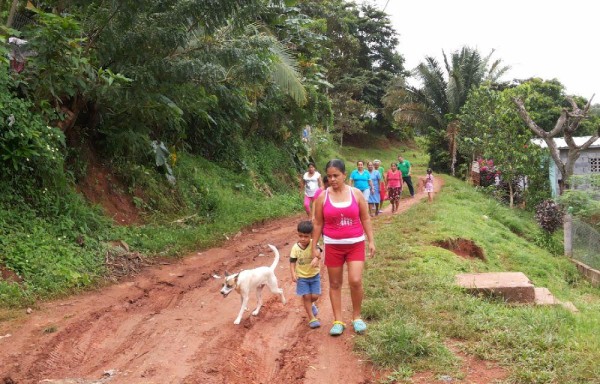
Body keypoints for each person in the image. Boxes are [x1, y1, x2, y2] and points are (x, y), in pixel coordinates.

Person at [311, 159, 376, 336]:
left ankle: (357, 317)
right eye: (329, 176)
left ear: (344, 175)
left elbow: (365, 218)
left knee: (355, 280)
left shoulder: (356, 194)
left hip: (355, 244)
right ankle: (338, 320)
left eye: (336, 175)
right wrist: (314, 245)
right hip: (333, 246)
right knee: (335, 283)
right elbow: (317, 223)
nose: (332, 179)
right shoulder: (322, 197)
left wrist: (371, 240)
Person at [290, 220, 323, 329]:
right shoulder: (295, 248)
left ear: (311, 235)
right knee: (307, 296)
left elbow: (318, 251)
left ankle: (310, 303)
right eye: (300, 236)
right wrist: (293, 273)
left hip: (314, 276)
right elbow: (292, 262)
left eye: (306, 236)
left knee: (315, 296)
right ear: (297, 234)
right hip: (302, 277)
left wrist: (316, 258)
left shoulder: (314, 244)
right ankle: (312, 318)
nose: (303, 239)